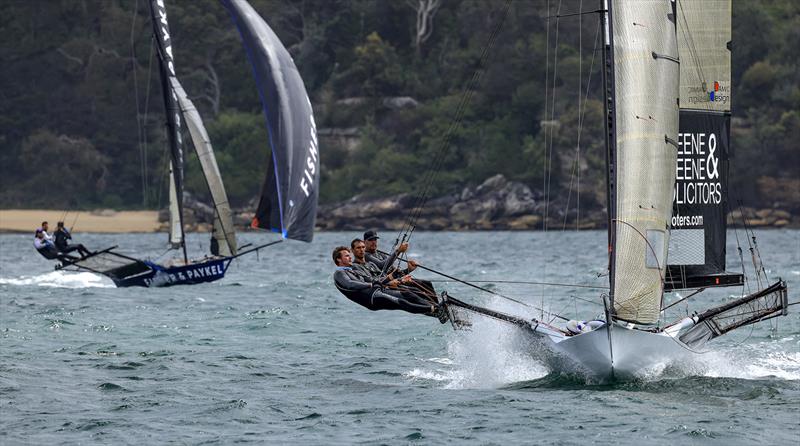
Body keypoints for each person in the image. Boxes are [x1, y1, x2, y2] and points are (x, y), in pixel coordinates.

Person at [332, 246, 448, 323]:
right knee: (401, 302)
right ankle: (435, 309)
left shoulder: (354, 269)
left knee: (407, 294)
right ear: (338, 260)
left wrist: (397, 276)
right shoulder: (339, 273)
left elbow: (373, 279)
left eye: (349, 255)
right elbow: (351, 284)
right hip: (371, 298)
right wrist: (370, 285)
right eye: (346, 255)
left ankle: (438, 311)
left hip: (377, 291)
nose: (350, 257)